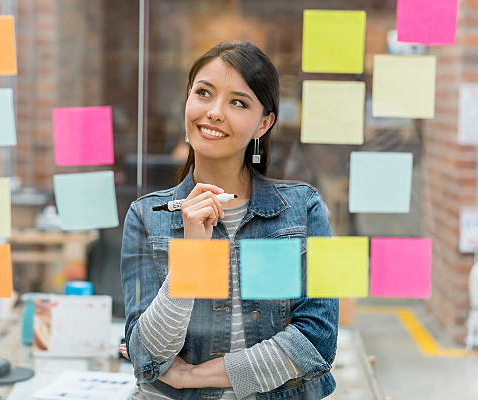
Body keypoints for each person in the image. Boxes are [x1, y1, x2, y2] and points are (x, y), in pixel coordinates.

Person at [119, 41, 339, 400]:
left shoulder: (303, 209)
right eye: (204, 93)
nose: (214, 112)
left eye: (239, 102)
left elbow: (316, 342)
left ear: (263, 123)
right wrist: (192, 256)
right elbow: (147, 355)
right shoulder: (147, 217)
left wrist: (190, 376)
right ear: (187, 99)